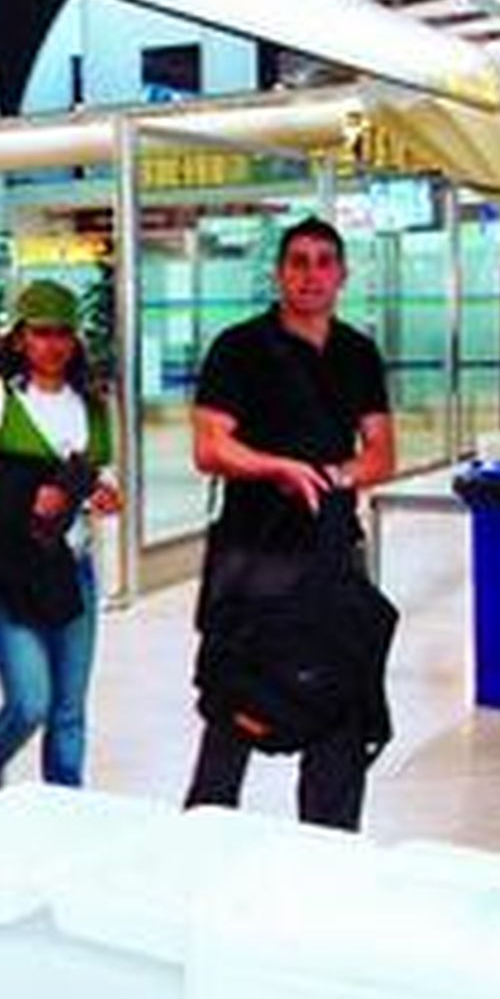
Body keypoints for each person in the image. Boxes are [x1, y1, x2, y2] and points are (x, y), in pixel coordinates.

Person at [184, 216, 396, 831]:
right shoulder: (239, 347)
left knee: (340, 699)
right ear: (279, 273)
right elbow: (210, 447)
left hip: (331, 556)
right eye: (298, 262)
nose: (310, 275)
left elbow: (381, 451)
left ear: (342, 275)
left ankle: (328, 854)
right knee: (236, 703)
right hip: (253, 558)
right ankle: (199, 846)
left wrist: (338, 476)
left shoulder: (357, 353)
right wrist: (277, 468)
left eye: (323, 262)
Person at [0, 280, 122, 797]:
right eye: (41, 333)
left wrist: (103, 490)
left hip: (71, 566)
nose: (53, 345)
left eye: (63, 334)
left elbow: (103, 468)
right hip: (8, 570)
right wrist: (26, 499)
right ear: (20, 338)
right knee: (31, 700)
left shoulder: (91, 404)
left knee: (69, 708)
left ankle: (65, 802)